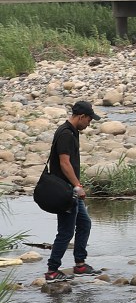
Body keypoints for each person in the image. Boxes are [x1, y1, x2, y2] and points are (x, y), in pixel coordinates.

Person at [44, 100, 100, 283]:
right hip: (65, 191)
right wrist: (78, 185)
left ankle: (80, 264)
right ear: (81, 117)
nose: (89, 123)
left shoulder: (72, 131)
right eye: (89, 120)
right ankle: (52, 270)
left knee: (84, 223)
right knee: (66, 231)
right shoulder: (66, 133)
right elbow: (64, 162)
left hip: (70, 189)